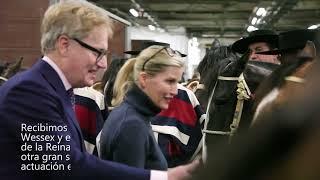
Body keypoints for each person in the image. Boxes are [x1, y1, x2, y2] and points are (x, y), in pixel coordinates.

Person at [0, 1, 198, 179]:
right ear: (64, 45)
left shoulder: (53, 90)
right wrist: (163, 177)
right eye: (98, 52)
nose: (103, 64)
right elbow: (68, 166)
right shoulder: (29, 93)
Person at [98, 45, 185, 170]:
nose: (175, 91)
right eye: (170, 81)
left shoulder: (132, 115)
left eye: (177, 82)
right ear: (144, 79)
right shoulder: (132, 125)